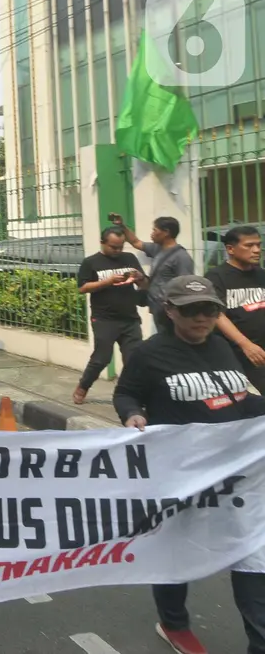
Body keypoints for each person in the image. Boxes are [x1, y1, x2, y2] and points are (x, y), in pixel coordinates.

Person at [113, 275, 265, 654]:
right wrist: (132, 415)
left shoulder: (222, 346)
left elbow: (242, 397)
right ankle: (174, 624)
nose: (202, 318)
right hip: (180, 473)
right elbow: (126, 392)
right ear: (170, 311)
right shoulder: (150, 353)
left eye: (210, 310)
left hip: (237, 474)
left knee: (252, 555)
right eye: (192, 311)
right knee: (176, 552)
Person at [73, 227, 148, 405]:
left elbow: (144, 283)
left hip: (129, 318)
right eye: (113, 247)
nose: (118, 251)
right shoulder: (91, 262)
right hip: (104, 319)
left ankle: (132, 394)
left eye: (121, 247)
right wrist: (108, 281)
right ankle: (83, 386)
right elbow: (82, 288)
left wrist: (139, 277)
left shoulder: (129, 258)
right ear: (103, 243)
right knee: (102, 358)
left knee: (134, 358)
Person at [109, 214, 194, 333]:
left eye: (155, 230)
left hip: (170, 313)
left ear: (166, 232)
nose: (152, 233)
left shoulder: (181, 257)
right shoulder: (157, 249)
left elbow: (186, 287)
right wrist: (121, 225)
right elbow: (135, 242)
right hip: (157, 309)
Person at [206, 225, 265, 393]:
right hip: (232, 352)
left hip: (260, 350)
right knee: (231, 399)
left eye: (258, 245)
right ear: (230, 249)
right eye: (249, 245)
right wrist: (245, 344)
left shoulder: (261, 275)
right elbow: (217, 314)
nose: (256, 250)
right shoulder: (217, 276)